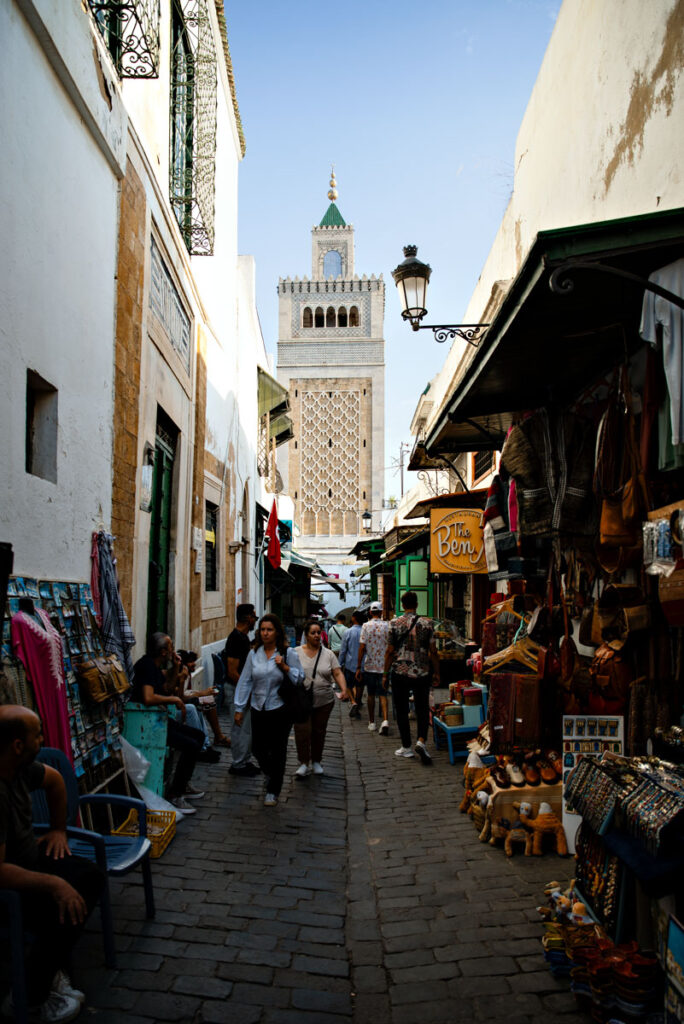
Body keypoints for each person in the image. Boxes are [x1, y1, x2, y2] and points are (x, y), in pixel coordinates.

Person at [0, 705, 105, 1023]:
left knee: (88, 877)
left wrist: (59, 829)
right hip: (9, 886)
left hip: (30, 862)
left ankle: (47, 967)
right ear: (18, 745)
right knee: (65, 899)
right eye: (38, 734)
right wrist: (54, 884)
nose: (42, 740)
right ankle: (27, 998)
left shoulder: (19, 768)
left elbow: (56, 780)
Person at [130, 633, 208, 814]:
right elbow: (149, 697)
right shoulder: (147, 666)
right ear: (163, 651)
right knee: (190, 745)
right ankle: (176, 794)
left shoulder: (156, 667)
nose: (174, 650)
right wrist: (173, 699)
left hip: (159, 719)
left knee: (198, 736)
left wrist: (176, 668)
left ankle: (183, 783)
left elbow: (168, 688)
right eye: (171, 647)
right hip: (148, 723)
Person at [233, 614, 304, 806]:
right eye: (263, 629)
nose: (265, 633)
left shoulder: (288, 654)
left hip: (280, 708)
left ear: (277, 632)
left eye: (269, 630)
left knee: (278, 749)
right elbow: (246, 680)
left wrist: (285, 667)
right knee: (257, 748)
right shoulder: (253, 654)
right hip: (258, 707)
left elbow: (299, 678)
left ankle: (273, 789)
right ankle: (271, 773)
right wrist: (239, 707)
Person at [384, 591, 441, 764]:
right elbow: (433, 651)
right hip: (422, 671)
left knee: (401, 709)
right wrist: (437, 672)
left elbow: (389, 651)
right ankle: (421, 741)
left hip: (400, 671)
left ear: (402, 605)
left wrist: (385, 674)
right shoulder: (428, 623)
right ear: (416, 604)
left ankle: (406, 747)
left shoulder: (394, 623)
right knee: (422, 707)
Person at [294, 620, 348, 777]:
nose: (317, 635)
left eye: (319, 632)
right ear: (306, 635)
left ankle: (316, 760)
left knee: (319, 731)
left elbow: (337, 673)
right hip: (302, 701)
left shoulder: (328, 654)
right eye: (313, 633)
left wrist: (344, 689)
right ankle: (304, 762)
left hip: (324, 701)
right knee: (303, 731)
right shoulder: (296, 652)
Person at [222, 604, 261, 777]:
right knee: (239, 728)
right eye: (254, 617)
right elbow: (232, 671)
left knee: (246, 728)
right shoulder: (236, 638)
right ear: (247, 618)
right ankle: (238, 764)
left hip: (241, 691)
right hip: (236, 690)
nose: (255, 620)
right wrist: (245, 691)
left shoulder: (243, 638)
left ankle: (244, 760)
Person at [174, 650, 231, 750]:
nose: (194, 664)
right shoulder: (182, 674)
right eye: (190, 662)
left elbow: (188, 692)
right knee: (206, 702)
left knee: (209, 700)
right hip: (181, 705)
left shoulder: (187, 674)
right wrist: (202, 693)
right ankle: (216, 737)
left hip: (187, 700)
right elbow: (181, 696)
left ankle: (217, 736)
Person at [355, 601, 390, 735]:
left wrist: (358, 666)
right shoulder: (387, 626)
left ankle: (372, 722)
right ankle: (385, 720)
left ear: (370, 612)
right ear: (381, 612)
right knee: (383, 694)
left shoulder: (365, 626)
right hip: (383, 666)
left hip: (370, 666)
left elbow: (362, 647)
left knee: (370, 695)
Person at [339, 611, 363, 706]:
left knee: (348, 685)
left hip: (350, 664)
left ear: (353, 618)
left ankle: (353, 701)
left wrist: (339, 664)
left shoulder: (348, 632)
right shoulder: (364, 631)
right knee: (360, 685)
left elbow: (343, 650)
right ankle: (357, 701)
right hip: (362, 665)